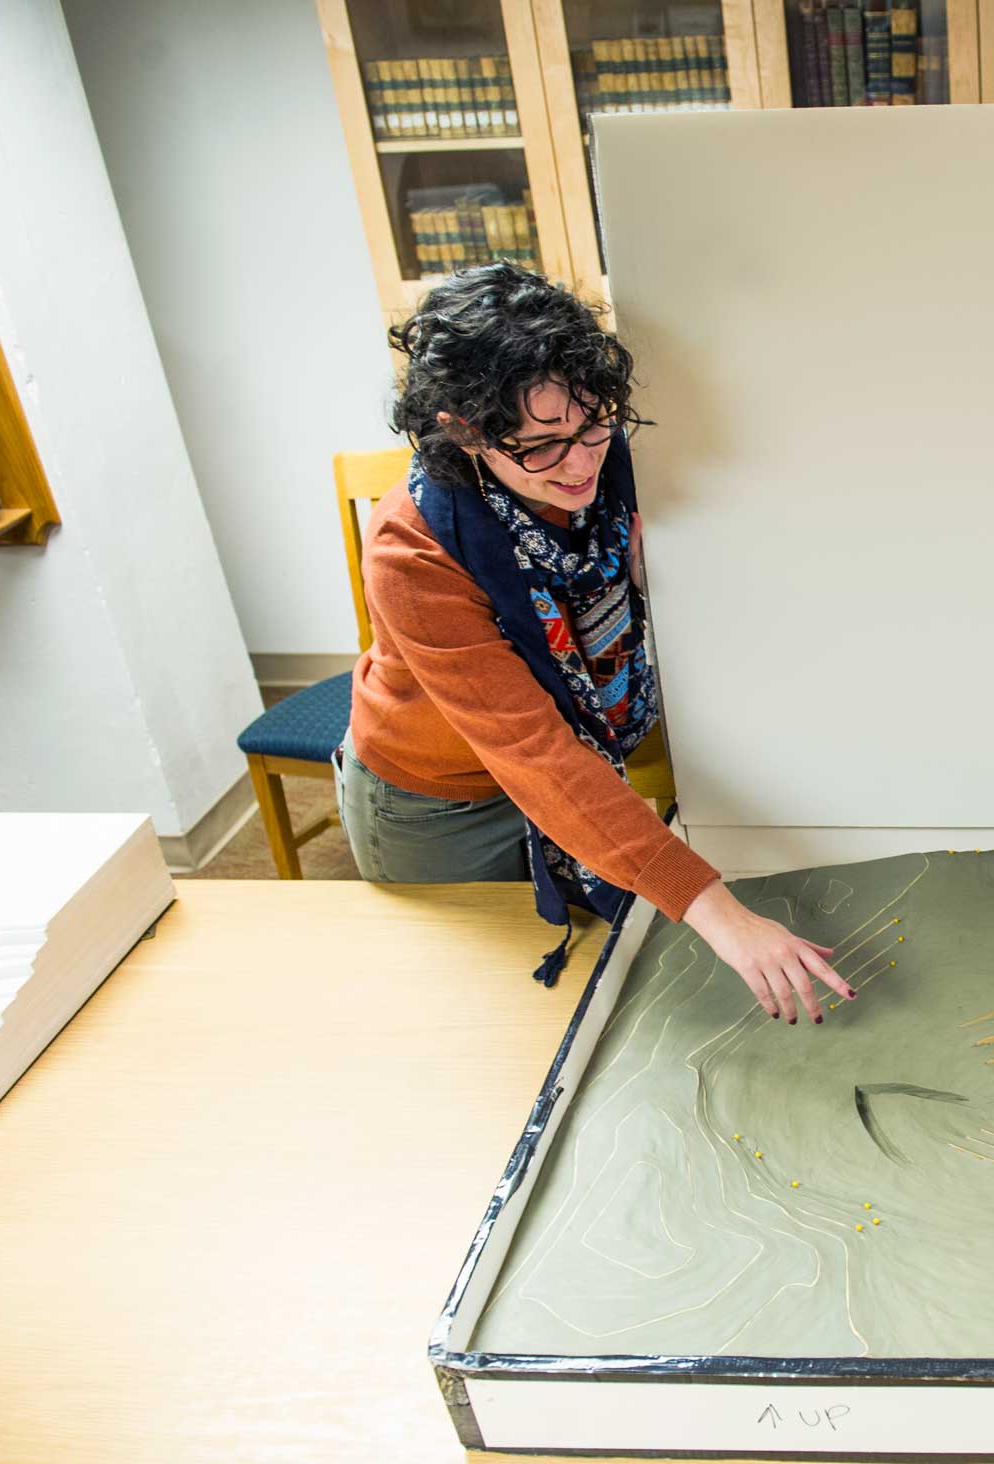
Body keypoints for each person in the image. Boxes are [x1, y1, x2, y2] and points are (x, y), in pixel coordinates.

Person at [339, 261, 849, 1021]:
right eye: (541, 446)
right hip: (441, 805)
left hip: (582, 767)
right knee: (492, 1015)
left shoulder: (605, 467)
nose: (581, 464)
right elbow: (534, 754)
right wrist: (720, 911)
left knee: (592, 983)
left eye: (590, 428)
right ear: (464, 430)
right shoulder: (410, 552)